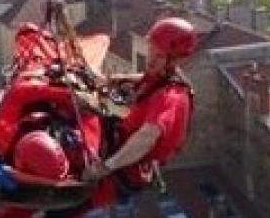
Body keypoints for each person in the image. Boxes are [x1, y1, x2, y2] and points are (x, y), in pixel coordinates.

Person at [71, 16, 197, 217]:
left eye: (160, 56)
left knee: (65, 205)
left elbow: (146, 137)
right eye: (151, 50)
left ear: (175, 60)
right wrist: (110, 80)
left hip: (123, 169)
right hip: (116, 146)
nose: (151, 59)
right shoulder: (161, 76)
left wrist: (106, 167)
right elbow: (144, 79)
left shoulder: (172, 97)